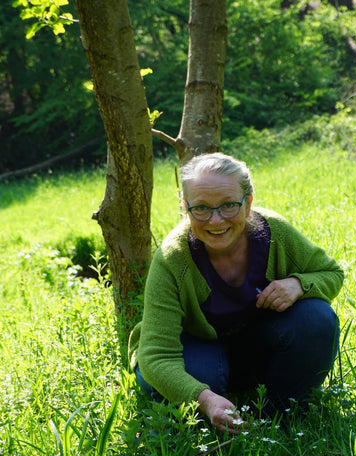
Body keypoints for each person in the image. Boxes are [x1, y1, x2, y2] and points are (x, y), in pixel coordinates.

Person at [129, 153, 344, 434]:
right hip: (193, 350)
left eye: (229, 205)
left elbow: (331, 273)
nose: (216, 221)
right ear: (185, 208)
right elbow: (157, 356)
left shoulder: (274, 233)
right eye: (201, 208)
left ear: (248, 203)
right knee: (199, 379)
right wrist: (203, 399)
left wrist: (298, 284)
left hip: (252, 347)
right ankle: (215, 416)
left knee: (317, 318)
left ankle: (280, 421)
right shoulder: (173, 258)